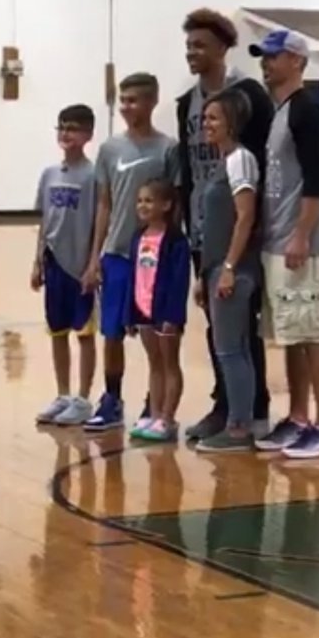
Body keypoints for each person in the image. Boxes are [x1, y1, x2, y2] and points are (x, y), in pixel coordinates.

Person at [176, 9, 274, 442]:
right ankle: (225, 405)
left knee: (239, 325)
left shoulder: (247, 94)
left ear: (222, 48)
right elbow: (186, 165)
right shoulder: (188, 102)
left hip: (238, 226)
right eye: (188, 46)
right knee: (218, 326)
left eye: (200, 45)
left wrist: (249, 237)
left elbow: (264, 166)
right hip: (203, 222)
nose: (192, 53)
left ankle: (252, 411)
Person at [249, 29, 319, 458]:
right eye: (264, 57)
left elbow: (316, 180)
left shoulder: (308, 112)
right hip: (278, 240)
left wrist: (302, 233)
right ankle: (298, 416)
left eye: (274, 56)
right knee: (291, 335)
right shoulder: (280, 112)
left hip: (300, 242)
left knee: (312, 333)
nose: (266, 63)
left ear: (298, 62)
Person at [82, 74, 179, 432]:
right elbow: (104, 204)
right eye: (122, 100)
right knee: (112, 332)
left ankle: (155, 404)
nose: (126, 107)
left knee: (154, 333)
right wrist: (95, 258)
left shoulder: (168, 148)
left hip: (152, 257)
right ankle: (111, 398)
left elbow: (175, 205)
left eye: (134, 100)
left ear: (152, 102)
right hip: (117, 255)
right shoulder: (109, 149)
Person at [193, 87, 262, 453]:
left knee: (231, 350)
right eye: (205, 117)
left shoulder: (240, 160)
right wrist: (205, 274)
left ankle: (238, 429)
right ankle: (240, 421)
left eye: (214, 117)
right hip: (217, 267)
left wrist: (230, 268)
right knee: (234, 348)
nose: (207, 123)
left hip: (235, 268)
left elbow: (245, 216)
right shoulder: (224, 162)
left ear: (232, 122)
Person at [31, 104, 98, 427]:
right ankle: (63, 393)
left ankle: (84, 398)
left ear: (87, 134)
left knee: (84, 334)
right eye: (61, 127)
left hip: (81, 265)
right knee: (57, 331)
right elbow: (44, 221)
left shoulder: (94, 175)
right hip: (54, 264)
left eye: (72, 128)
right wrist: (37, 260)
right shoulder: (49, 175)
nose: (65, 133)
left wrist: (93, 264)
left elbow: (101, 223)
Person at [124, 179, 190, 442]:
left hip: (165, 313)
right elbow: (134, 275)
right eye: (140, 200)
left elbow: (179, 280)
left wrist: (173, 316)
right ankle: (153, 414)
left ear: (166, 205)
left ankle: (168, 417)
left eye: (149, 200)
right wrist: (129, 314)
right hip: (143, 310)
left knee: (169, 363)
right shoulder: (137, 237)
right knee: (154, 364)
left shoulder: (176, 241)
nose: (142, 205)